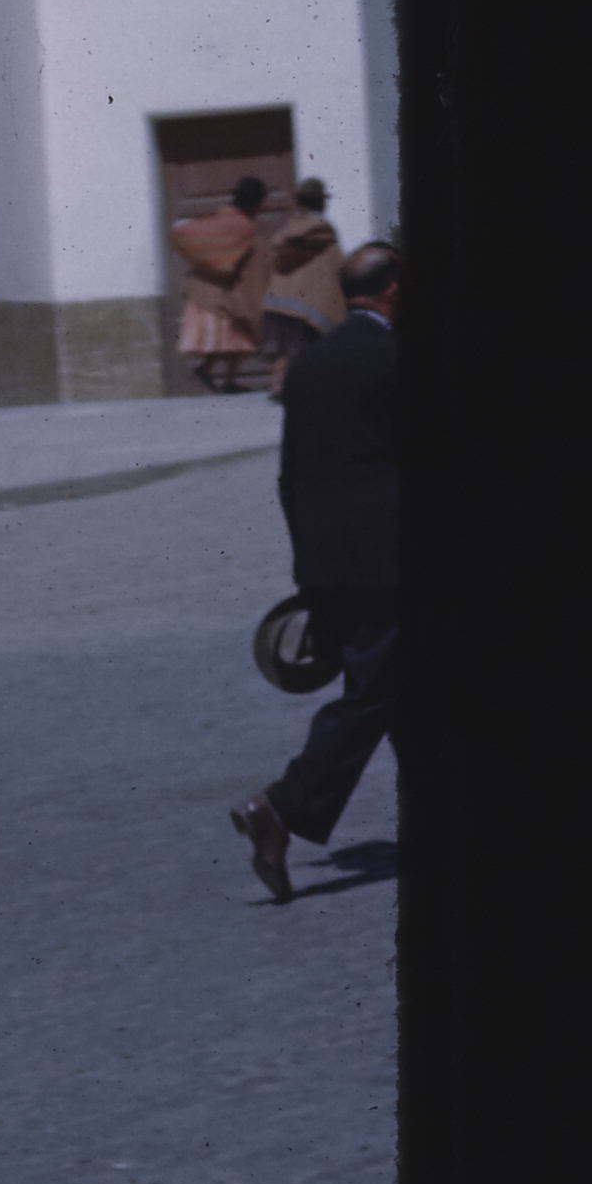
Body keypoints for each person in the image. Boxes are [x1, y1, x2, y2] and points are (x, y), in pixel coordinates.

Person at [231, 242, 398, 898]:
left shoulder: (308, 365)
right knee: (375, 692)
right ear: (393, 292)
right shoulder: (398, 358)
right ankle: (280, 807)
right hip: (390, 561)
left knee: (403, 685)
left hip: (328, 560)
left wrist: (308, 564)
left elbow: (289, 476)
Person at [169, 176, 277, 389]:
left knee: (232, 338)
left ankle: (216, 374)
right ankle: (223, 377)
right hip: (222, 290)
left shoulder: (226, 219)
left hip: (217, 287)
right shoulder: (242, 225)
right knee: (236, 336)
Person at [259, 179, 346, 387]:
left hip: (281, 299)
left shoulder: (289, 230)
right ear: (322, 202)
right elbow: (337, 266)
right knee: (311, 345)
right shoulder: (324, 231)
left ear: (299, 202)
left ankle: (278, 385)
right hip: (311, 303)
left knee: (286, 348)